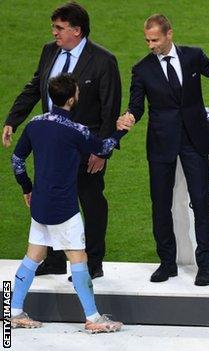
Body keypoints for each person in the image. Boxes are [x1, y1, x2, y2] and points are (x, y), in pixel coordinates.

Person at [117, 14, 209, 286]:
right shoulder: (142, 69)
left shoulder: (193, 56)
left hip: (193, 140)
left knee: (201, 202)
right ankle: (167, 263)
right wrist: (129, 116)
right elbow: (136, 105)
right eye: (147, 40)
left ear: (169, 34)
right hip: (161, 144)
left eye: (155, 40)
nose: (150, 45)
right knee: (161, 206)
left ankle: (204, 266)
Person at [2, 2, 122, 281]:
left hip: (86, 149)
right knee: (54, 199)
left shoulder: (104, 60)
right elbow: (34, 88)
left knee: (91, 201)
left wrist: (103, 152)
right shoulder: (49, 51)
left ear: (77, 31)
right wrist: (13, 120)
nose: (54, 33)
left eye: (60, 28)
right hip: (52, 147)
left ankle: (93, 262)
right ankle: (55, 260)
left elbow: (110, 109)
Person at [10, 74, 124, 333]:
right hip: (64, 209)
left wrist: (27, 188)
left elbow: (17, 161)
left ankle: (14, 311)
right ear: (72, 99)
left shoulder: (34, 124)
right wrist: (121, 129)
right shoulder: (76, 131)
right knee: (78, 258)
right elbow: (104, 147)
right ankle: (93, 318)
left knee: (34, 255)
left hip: (40, 205)